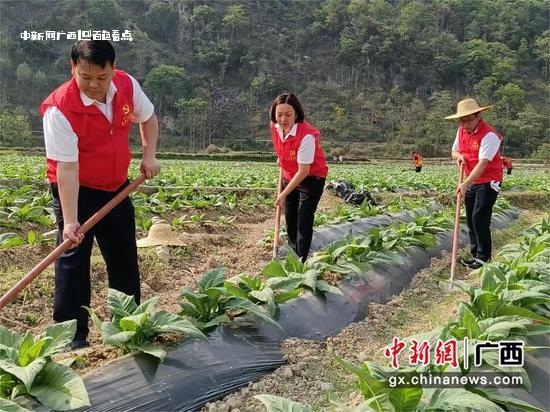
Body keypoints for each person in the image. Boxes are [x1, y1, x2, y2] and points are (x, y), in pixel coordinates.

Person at [39, 40, 160, 348]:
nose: (93, 85)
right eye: (85, 76)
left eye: (101, 77)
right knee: (73, 258)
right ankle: (72, 337)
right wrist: (70, 221)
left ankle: (129, 325)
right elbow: (66, 169)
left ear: (113, 69)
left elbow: (148, 118)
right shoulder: (59, 109)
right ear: (73, 69)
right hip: (76, 191)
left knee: (123, 256)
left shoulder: (127, 86)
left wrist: (149, 155)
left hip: (116, 188)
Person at [446, 98, 503, 270]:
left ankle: (484, 257)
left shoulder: (489, 136)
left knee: (480, 217)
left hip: (488, 181)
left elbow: (482, 164)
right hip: (472, 180)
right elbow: (454, 151)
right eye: (462, 120)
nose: (465, 124)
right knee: (470, 218)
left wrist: (464, 183)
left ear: (478, 116)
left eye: (469, 120)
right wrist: (459, 157)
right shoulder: (461, 132)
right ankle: (475, 253)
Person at [270, 93, 328, 262]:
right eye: (279, 114)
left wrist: (282, 194)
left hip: (311, 178)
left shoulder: (306, 136)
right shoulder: (275, 127)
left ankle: (300, 261)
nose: (283, 119)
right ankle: (293, 252)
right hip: (289, 174)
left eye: (288, 114)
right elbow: (283, 146)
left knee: (303, 219)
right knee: (290, 219)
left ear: (296, 114)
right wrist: (282, 156)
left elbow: (303, 171)